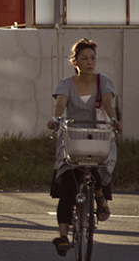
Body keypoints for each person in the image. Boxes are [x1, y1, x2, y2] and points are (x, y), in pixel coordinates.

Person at [46, 38, 122, 256]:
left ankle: (99, 197)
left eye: (93, 58)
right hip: (73, 137)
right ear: (75, 62)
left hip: (98, 135)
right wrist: (55, 119)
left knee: (96, 168)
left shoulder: (103, 81)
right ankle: (62, 237)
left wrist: (114, 121)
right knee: (69, 186)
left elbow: (108, 104)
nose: (90, 62)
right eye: (85, 59)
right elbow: (60, 105)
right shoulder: (66, 84)